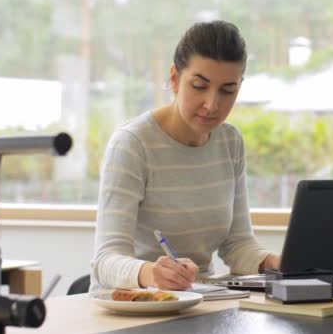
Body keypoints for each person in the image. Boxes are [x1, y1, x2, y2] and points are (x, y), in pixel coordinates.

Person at [89, 20, 280, 292]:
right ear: (175, 78)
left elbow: (237, 244)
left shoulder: (230, 141)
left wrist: (275, 263)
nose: (212, 104)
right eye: (199, 86)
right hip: (135, 305)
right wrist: (151, 273)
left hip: (201, 302)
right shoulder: (132, 144)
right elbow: (105, 260)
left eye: (227, 90)